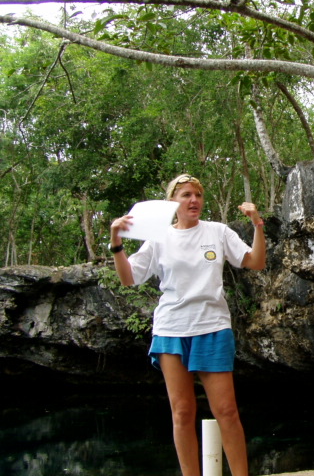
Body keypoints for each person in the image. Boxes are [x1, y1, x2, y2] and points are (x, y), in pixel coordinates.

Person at [109, 174, 266, 476]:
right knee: (182, 412)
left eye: (198, 194)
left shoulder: (218, 232)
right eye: (185, 195)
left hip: (212, 327)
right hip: (171, 330)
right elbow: (129, 278)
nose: (194, 200)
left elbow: (255, 262)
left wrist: (258, 224)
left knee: (227, 411)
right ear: (172, 202)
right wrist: (117, 243)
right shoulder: (159, 237)